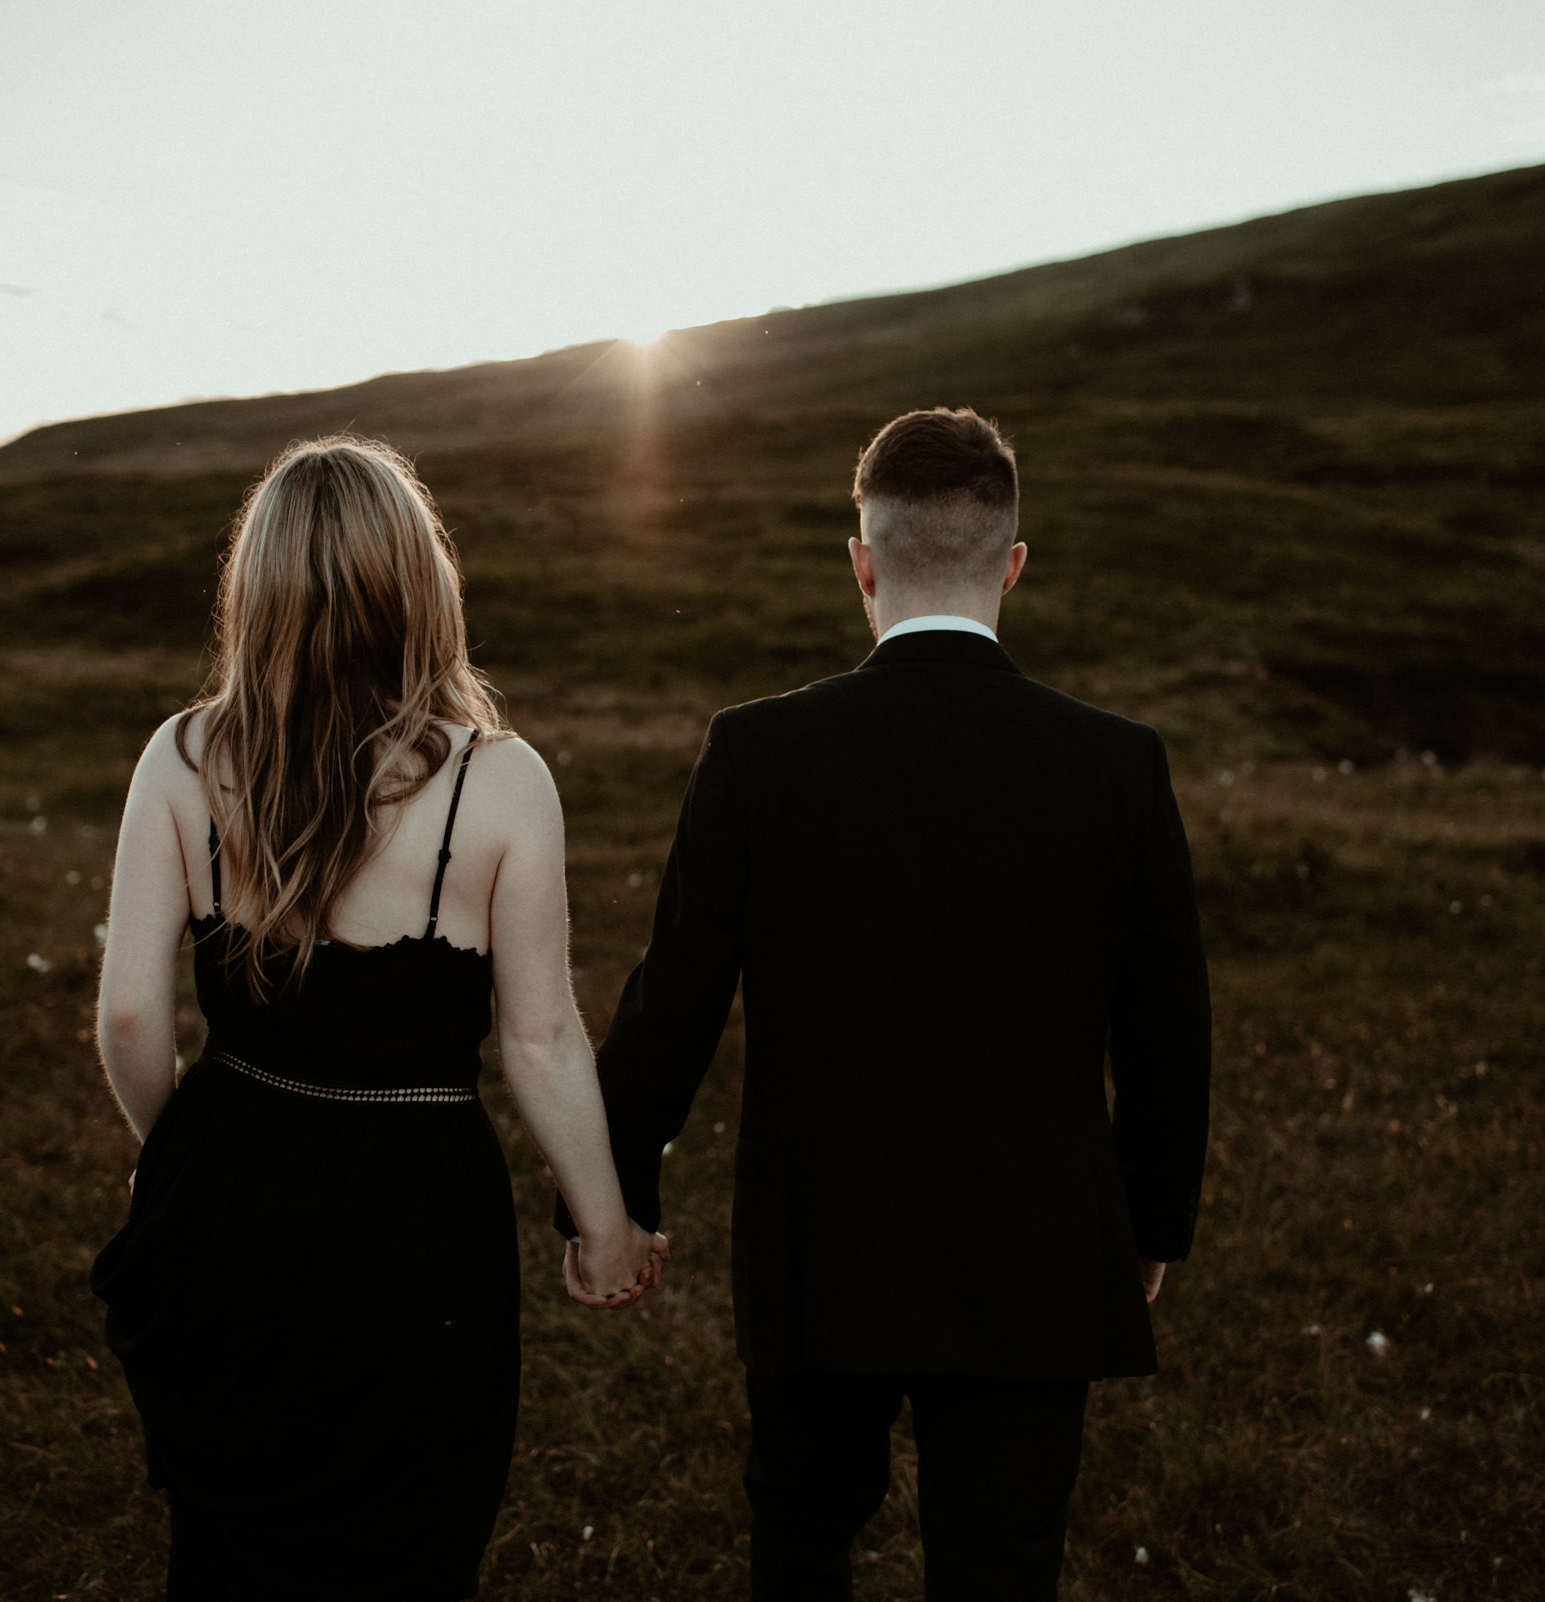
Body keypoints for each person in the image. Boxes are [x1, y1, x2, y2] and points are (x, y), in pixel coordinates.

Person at [557, 407, 1212, 1600]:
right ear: (1012, 564)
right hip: (1035, 1241)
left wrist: (614, 1198)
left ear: (863, 562)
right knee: (1002, 1563)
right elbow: (1167, 1028)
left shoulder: (757, 753)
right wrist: (1149, 1220)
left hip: (823, 1249)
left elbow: (675, 1005)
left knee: (801, 1548)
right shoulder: (1117, 764)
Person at [89, 435, 665, 1600]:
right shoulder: (503, 784)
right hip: (419, 1216)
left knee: (230, 1540)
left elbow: (133, 1021)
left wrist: (192, 1157)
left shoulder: (183, 756)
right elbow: (542, 1036)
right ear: (421, 583)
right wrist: (606, 1228)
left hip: (229, 1190)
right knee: (405, 1542)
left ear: (251, 591)